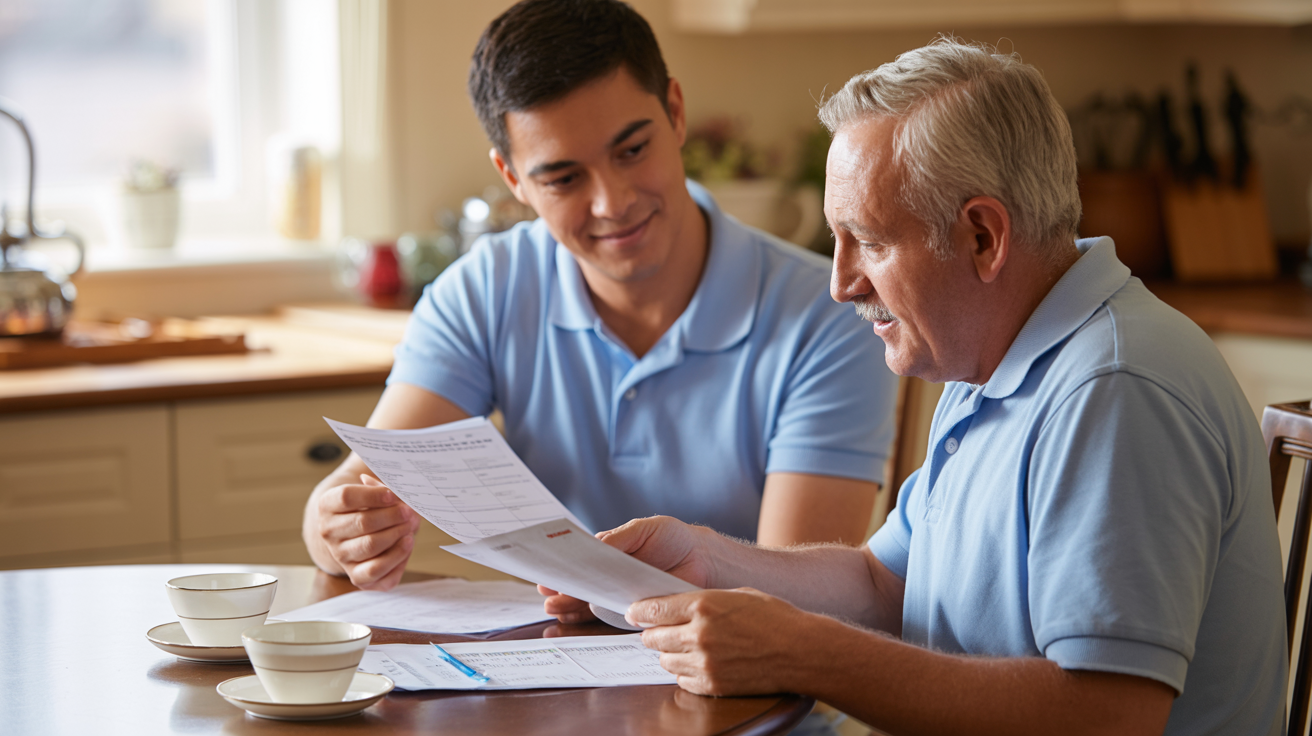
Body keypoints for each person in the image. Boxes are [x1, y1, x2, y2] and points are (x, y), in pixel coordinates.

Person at [541, 38, 1288, 736]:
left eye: (868, 240)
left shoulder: (1116, 390)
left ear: (982, 238)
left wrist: (803, 652)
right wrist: (701, 557)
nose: (839, 283)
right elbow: (886, 582)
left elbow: (1105, 714)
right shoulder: (991, 354)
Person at [302, 0, 897, 592]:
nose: (612, 203)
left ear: (675, 112)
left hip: (738, 676)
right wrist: (340, 530)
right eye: (563, 178)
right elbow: (350, 498)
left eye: (632, 150)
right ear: (514, 181)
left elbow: (795, 602)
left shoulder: (828, 318)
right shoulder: (485, 290)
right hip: (551, 665)